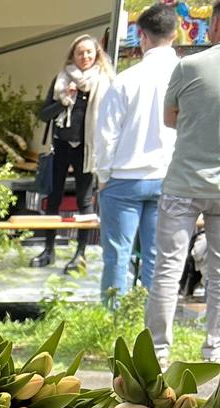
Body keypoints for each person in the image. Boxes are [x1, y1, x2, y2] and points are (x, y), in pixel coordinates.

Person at [94, 4, 179, 299]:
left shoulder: (125, 79)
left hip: (124, 176)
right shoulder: (186, 76)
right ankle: (152, 325)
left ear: (141, 35)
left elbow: (106, 134)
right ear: (175, 33)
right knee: (158, 257)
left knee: (117, 255)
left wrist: (103, 176)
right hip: (170, 176)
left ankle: (113, 324)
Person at [146, 43, 220, 363]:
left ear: (215, 26)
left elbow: (170, 118)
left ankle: (157, 353)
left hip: (182, 185)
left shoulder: (189, 65)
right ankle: (215, 351)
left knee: (167, 270)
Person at [33, 35, 113, 272]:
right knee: (53, 198)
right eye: (80, 53)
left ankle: (80, 254)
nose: (85, 57)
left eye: (89, 52)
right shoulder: (61, 79)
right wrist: (64, 100)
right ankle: (48, 250)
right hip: (61, 146)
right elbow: (44, 114)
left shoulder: (105, 81)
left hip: (88, 149)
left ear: (97, 54)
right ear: (72, 56)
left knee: (84, 201)